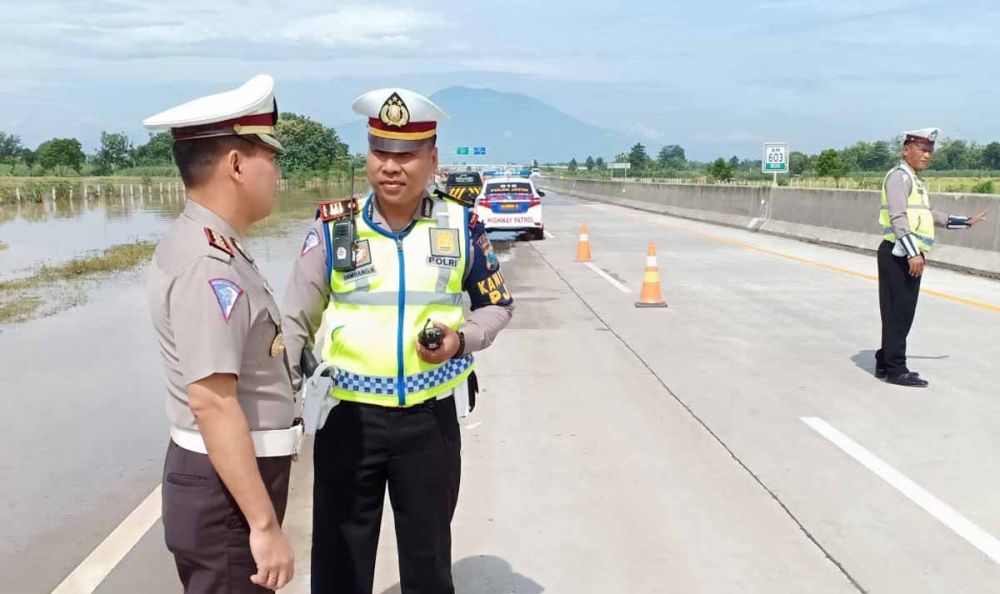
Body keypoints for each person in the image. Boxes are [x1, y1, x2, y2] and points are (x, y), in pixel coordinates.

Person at [282, 88, 514, 593]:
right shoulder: (334, 228)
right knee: (340, 560)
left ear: (432, 159)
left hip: (429, 421)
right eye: (380, 152)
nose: (391, 166)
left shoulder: (462, 223)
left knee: (428, 559)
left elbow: (498, 304)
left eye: (406, 154)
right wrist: (289, 406)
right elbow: (294, 318)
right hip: (349, 419)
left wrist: (463, 338)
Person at [144, 74, 301, 592]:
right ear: (237, 165)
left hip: (225, 484)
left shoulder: (210, 244)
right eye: (270, 158)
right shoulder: (209, 265)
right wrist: (263, 525)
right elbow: (212, 400)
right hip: (226, 497)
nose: (276, 173)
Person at [875, 127, 988, 387]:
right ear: (906, 149)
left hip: (906, 253)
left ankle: (885, 359)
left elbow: (928, 214)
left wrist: (964, 222)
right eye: (922, 150)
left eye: (930, 152)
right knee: (898, 312)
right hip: (899, 253)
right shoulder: (899, 178)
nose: (927, 156)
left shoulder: (914, 180)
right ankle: (895, 369)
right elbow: (898, 218)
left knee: (900, 312)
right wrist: (913, 254)